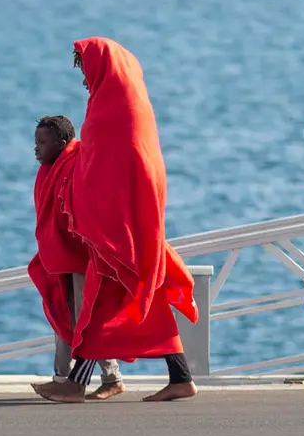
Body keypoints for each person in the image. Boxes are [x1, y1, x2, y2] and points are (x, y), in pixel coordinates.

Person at [28, 37, 199, 404]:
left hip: (116, 231)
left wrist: (94, 224)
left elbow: (101, 174)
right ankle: (180, 377)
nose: (86, 81)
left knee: (99, 307)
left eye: (87, 72)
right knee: (143, 305)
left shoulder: (110, 114)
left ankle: (74, 384)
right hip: (131, 225)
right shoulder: (132, 107)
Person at [31, 116, 127, 401]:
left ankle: (101, 378)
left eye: (42, 142)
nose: (36, 148)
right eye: (35, 141)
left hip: (82, 256)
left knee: (85, 319)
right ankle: (66, 377)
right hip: (60, 255)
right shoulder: (51, 169)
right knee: (63, 315)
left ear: (61, 144)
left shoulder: (77, 165)